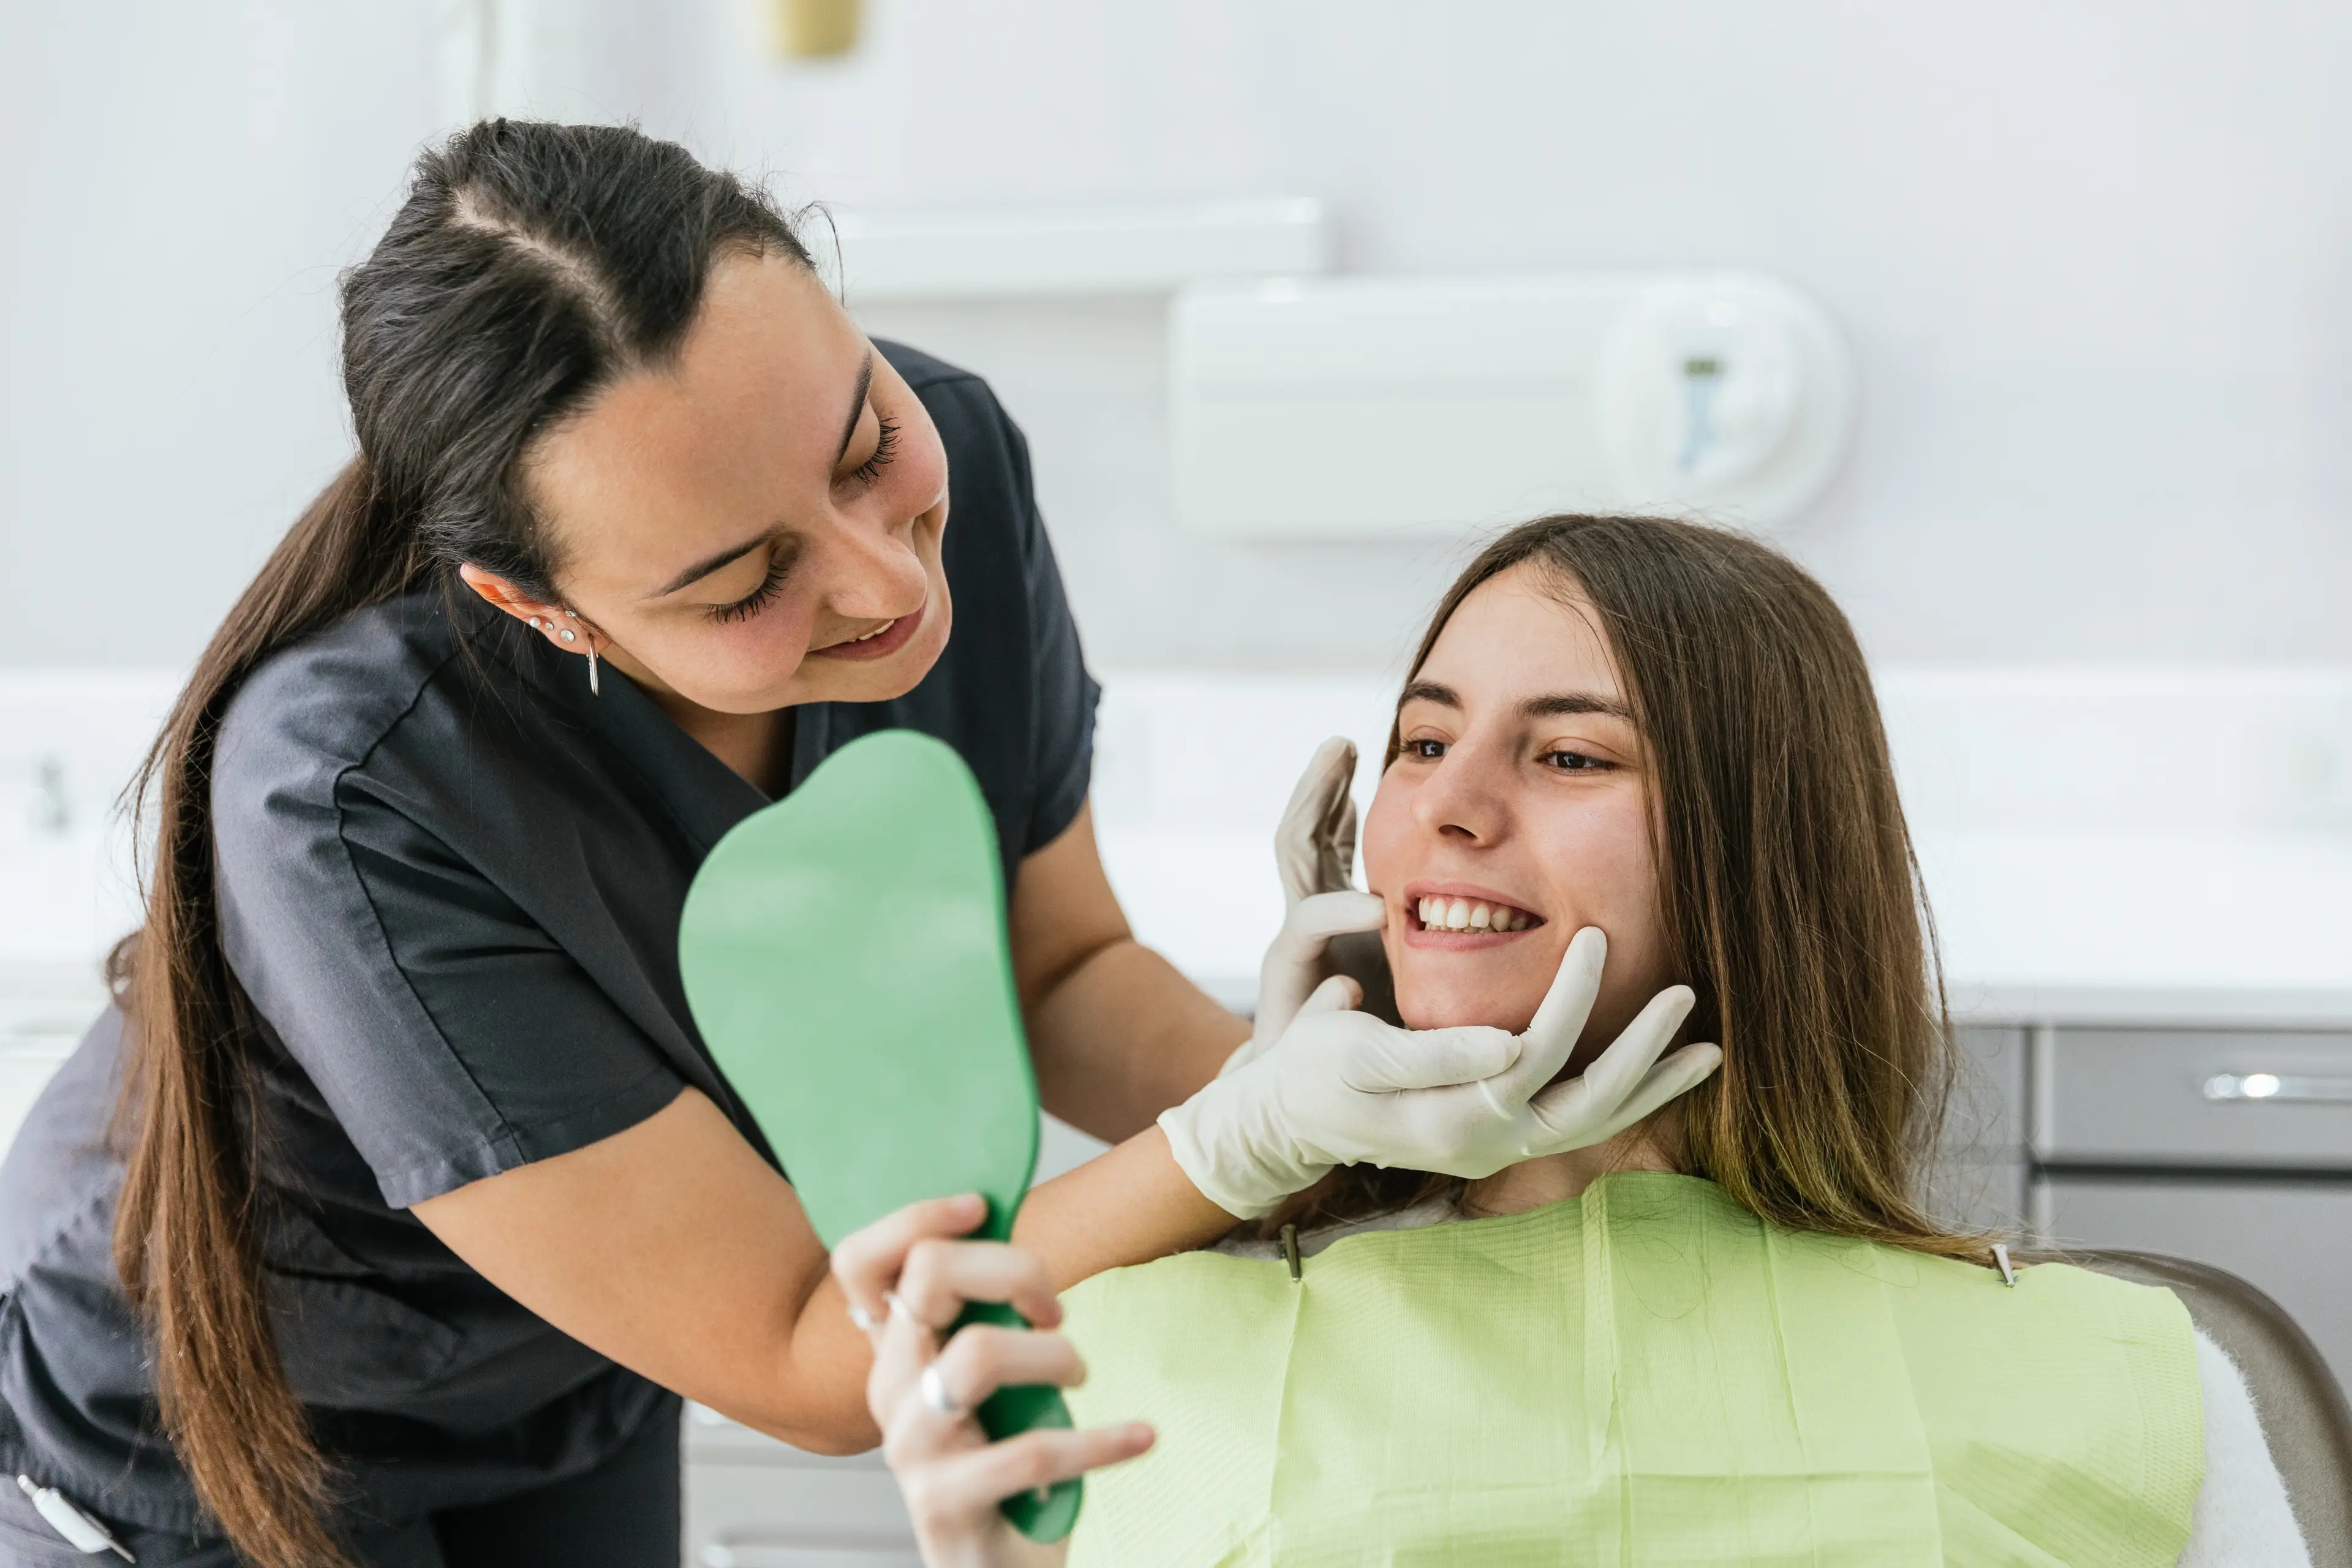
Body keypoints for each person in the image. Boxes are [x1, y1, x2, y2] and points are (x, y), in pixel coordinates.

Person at [0, 130, 1710, 1568]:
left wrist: (1366, 1117)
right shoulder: (353, 793)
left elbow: (1056, 971)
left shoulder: (957, 451)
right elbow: (810, 1354)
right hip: (211, 1424)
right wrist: (1253, 1139)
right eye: (745, 585)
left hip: (573, 1385)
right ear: (539, 606)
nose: (887, 583)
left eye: (863, 444)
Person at [845, 514, 2314, 1567]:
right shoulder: (1125, 1359)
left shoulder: (2134, 1381)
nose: (1452, 806)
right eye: (1423, 741)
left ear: (1759, 859)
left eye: (1568, 755)